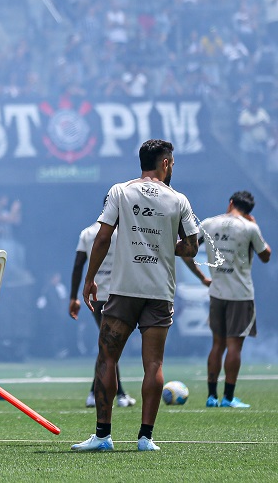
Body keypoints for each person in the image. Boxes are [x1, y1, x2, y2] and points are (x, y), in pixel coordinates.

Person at [72, 139, 199, 453]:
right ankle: (145, 438)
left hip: (125, 290)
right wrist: (167, 245)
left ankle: (103, 436)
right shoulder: (179, 199)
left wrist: (89, 280)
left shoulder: (120, 191)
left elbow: (102, 238)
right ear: (166, 163)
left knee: (107, 357)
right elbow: (192, 247)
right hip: (160, 292)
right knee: (153, 364)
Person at [183, 191, 270, 409]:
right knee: (234, 347)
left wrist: (202, 278)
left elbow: (186, 252)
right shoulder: (250, 227)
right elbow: (266, 255)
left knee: (217, 344)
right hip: (240, 295)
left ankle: (211, 397)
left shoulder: (209, 224)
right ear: (249, 211)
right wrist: (254, 226)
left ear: (230, 202)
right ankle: (228, 398)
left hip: (217, 293)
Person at [69, 200, 136, 408]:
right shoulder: (126, 233)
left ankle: (100, 393)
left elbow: (78, 265)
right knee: (109, 347)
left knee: (108, 345)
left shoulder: (87, 233)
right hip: (118, 294)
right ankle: (114, 394)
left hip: (97, 297)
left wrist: (74, 297)